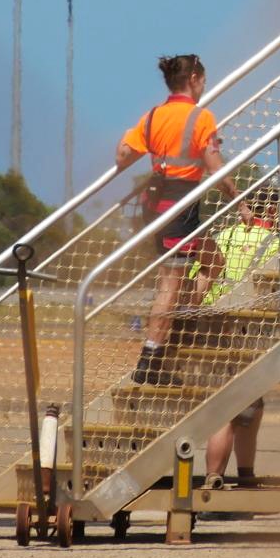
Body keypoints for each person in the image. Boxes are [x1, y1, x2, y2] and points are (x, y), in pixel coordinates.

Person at [113, 54, 225, 386]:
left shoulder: (152, 116)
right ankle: (150, 359)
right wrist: (239, 199)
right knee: (169, 284)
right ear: (193, 79)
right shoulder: (201, 118)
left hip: (157, 209)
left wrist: (132, 137)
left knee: (213, 260)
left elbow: (122, 156)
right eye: (203, 81)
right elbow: (216, 167)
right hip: (180, 207)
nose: (204, 87)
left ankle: (184, 317)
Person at [195, 186, 280, 488]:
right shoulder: (275, 245)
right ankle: (217, 478)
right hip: (246, 331)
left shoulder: (222, 238)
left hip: (211, 326)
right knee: (232, 407)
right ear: (273, 212)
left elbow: (198, 283)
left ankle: (238, 476)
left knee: (245, 404)